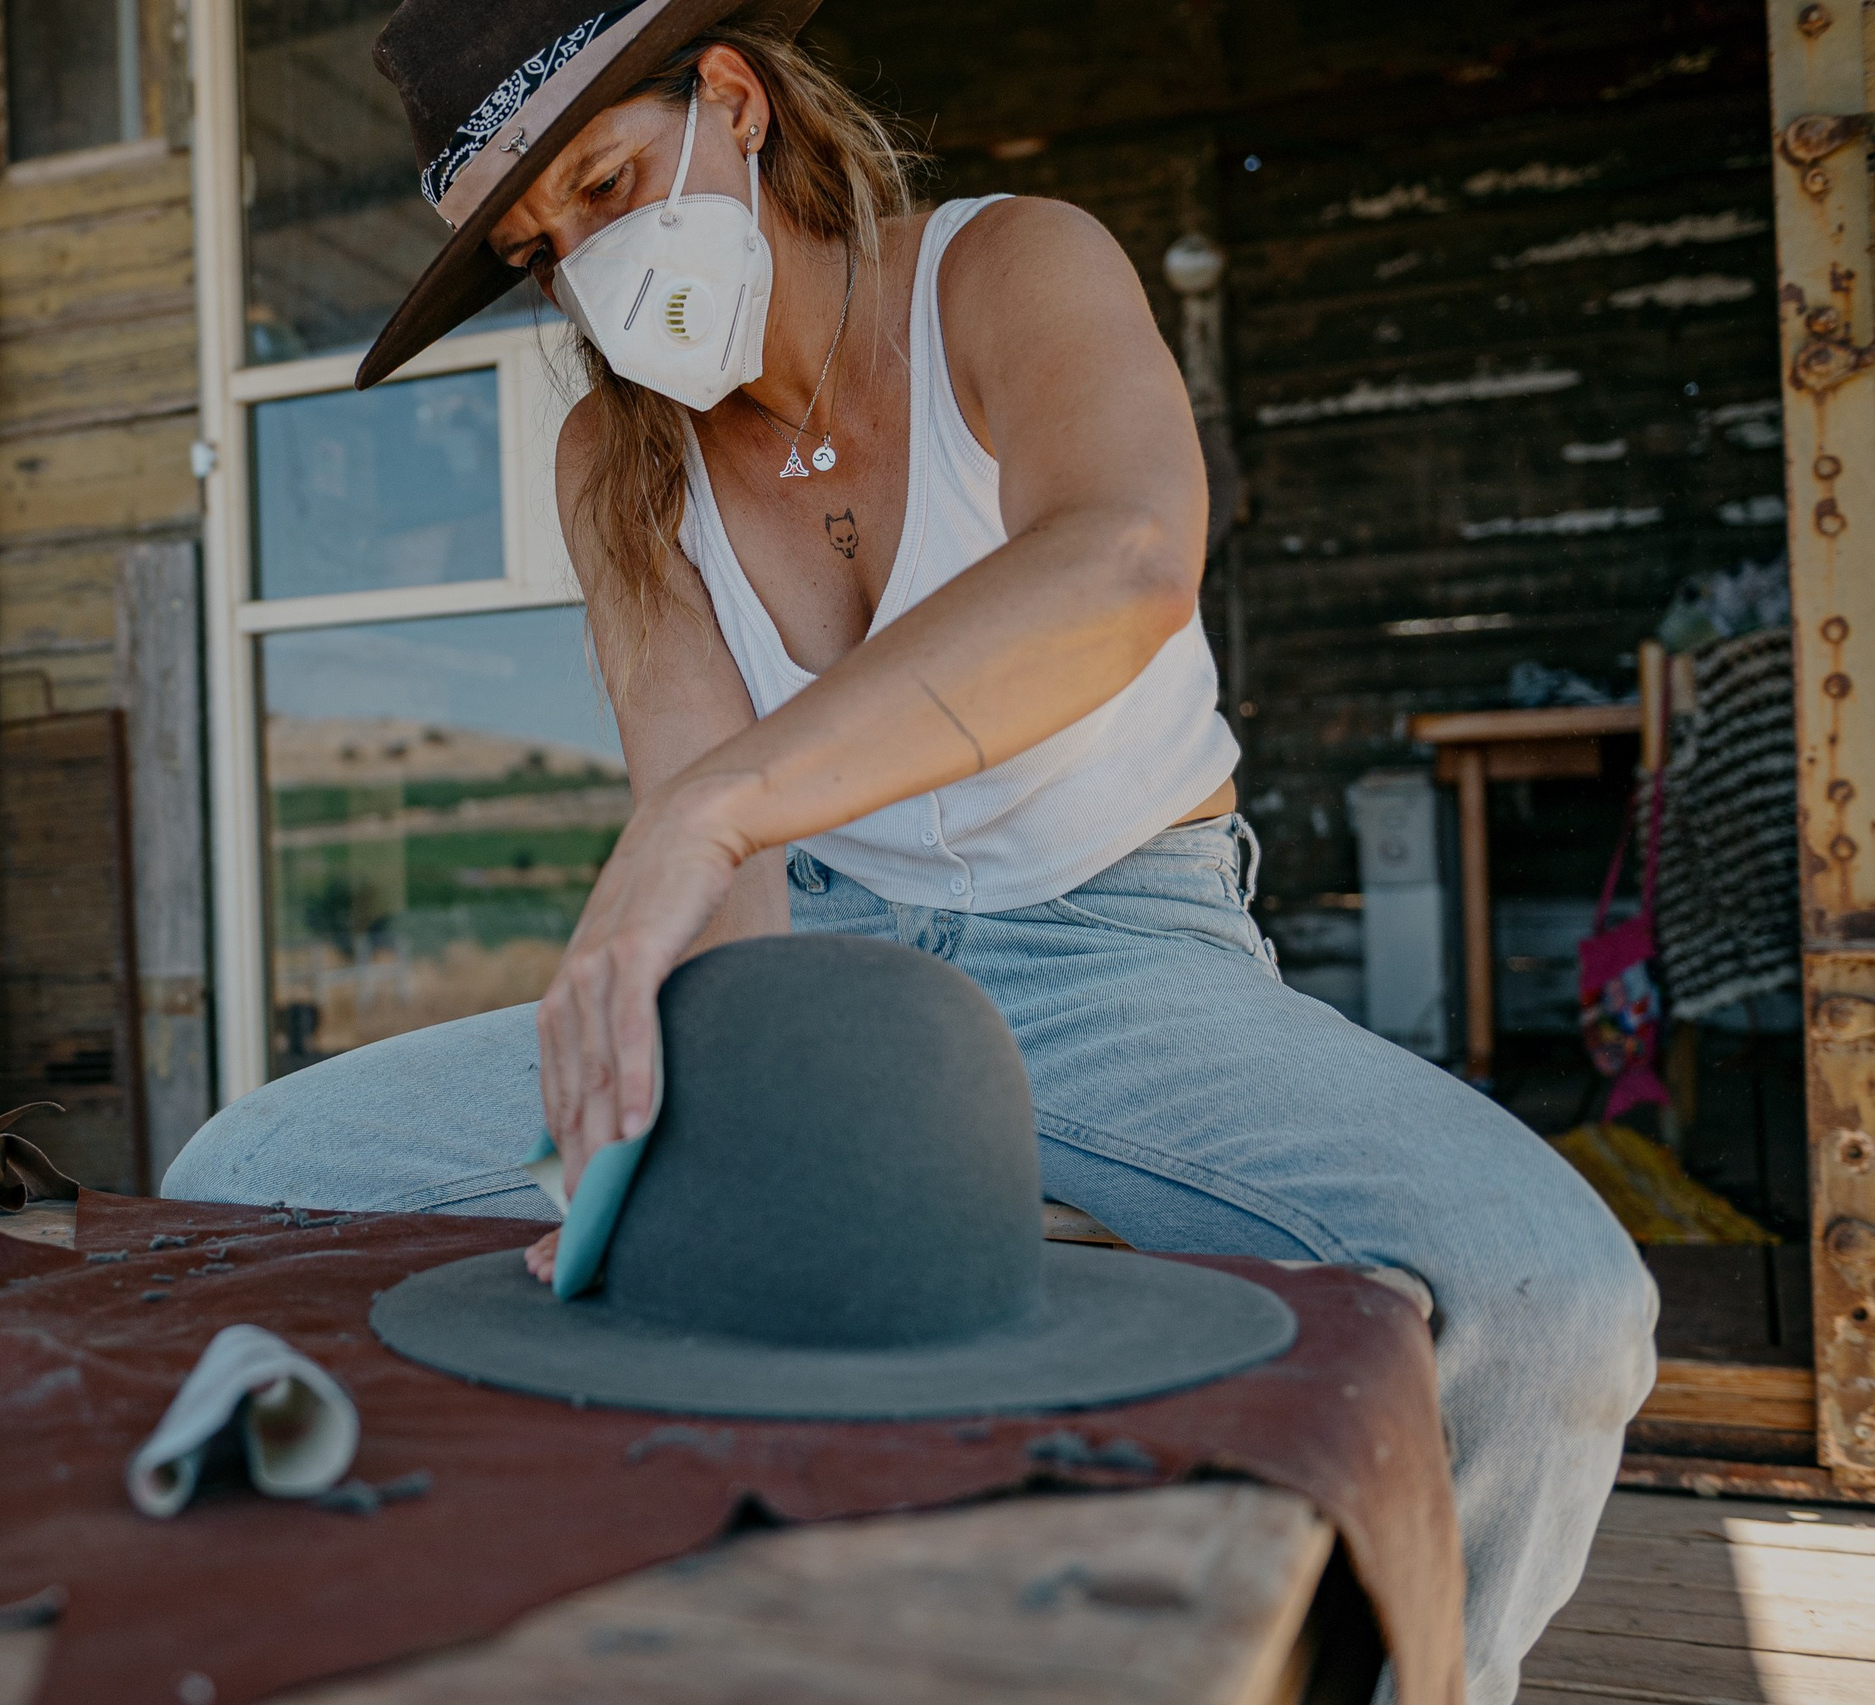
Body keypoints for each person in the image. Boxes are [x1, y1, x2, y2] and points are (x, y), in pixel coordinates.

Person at [165, 4, 1657, 1699]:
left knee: (1551, 1301)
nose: (586, 264)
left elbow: (1123, 562)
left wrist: (718, 807)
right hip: (820, 976)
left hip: (1123, 952)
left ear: (730, 98)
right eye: (539, 247)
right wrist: (665, 1101)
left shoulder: (1010, 274)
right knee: (245, 1179)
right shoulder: (616, 456)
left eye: (602, 182)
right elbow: (711, 863)